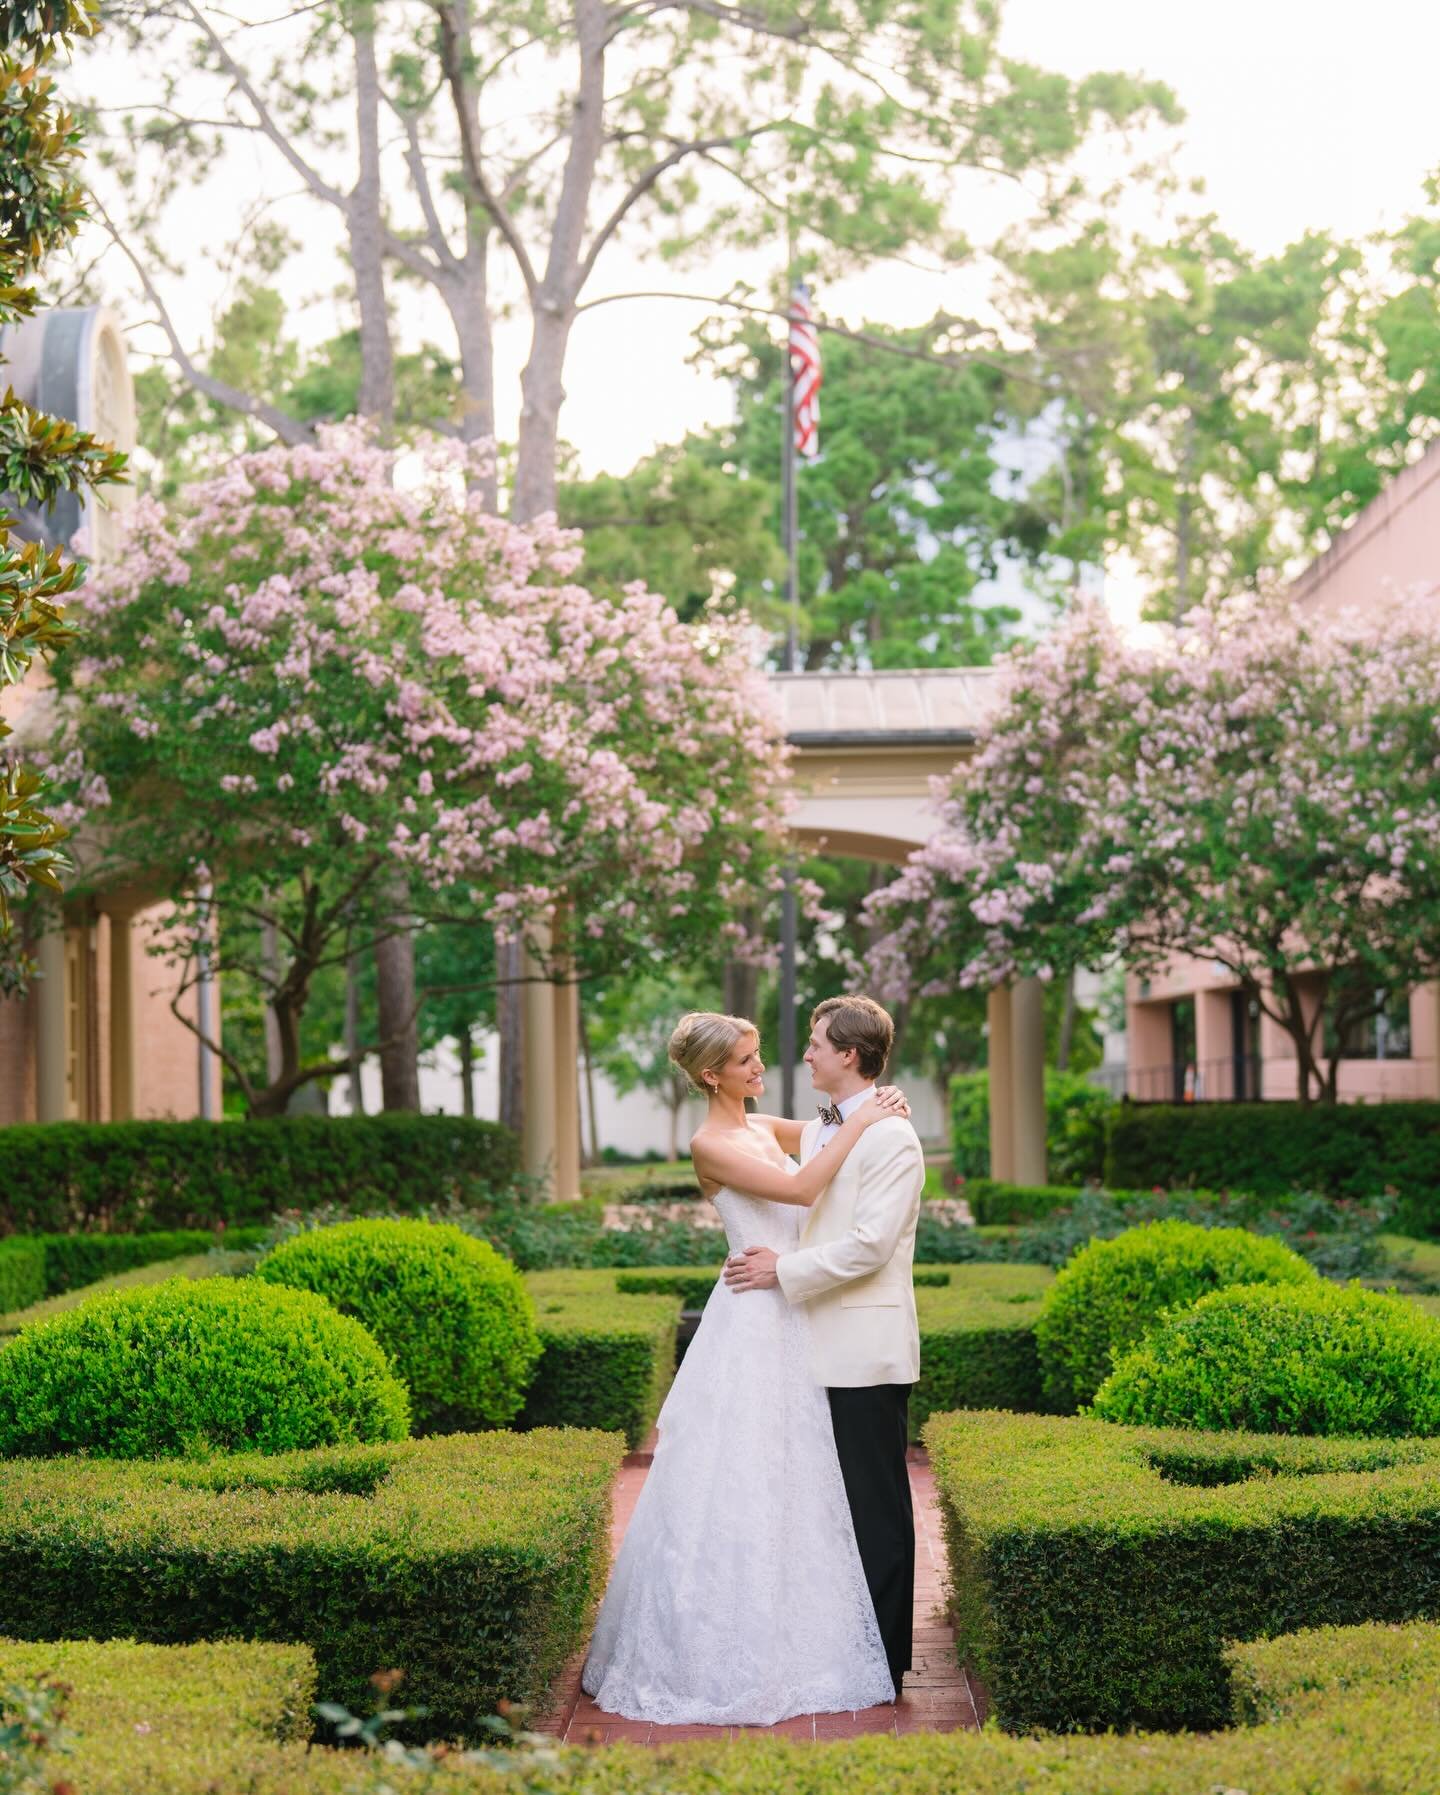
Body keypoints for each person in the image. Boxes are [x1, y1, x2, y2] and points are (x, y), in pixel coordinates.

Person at [579, 1009, 909, 1725]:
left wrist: (881, 1108)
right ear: (711, 1074)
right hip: (754, 1316)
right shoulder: (711, 1142)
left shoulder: (764, 1125)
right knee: (739, 1474)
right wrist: (862, 1121)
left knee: (802, 1476)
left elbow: (819, 1135)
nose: (763, 1068)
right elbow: (799, 1189)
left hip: (796, 1305)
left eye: (760, 1054)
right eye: (748, 1060)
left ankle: (806, 1623)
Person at [723, 995, 925, 1700]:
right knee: (828, 1513)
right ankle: (847, 1652)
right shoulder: (826, 1128)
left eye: (815, 1044)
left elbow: (870, 1247)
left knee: (875, 1511)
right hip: (811, 1348)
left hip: (864, 1349)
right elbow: (740, 1124)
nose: (803, 1054)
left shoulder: (894, 1138)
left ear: (850, 1055)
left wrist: (781, 1270)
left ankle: (888, 1665)